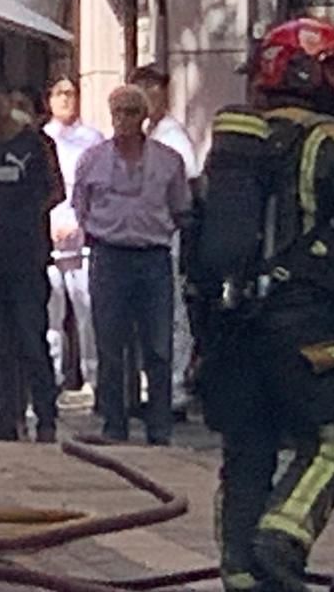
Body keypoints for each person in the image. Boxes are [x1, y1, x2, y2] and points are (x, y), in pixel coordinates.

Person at [187, 18, 334, 592]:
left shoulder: (235, 150)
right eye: (333, 69)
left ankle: (243, 576)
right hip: (301, 326)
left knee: (247, 449)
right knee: (332, 442)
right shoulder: (329, 143)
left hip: (231, 330)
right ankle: (280, 543)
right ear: (298, 70)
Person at [74, 86, 190, 445]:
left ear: (143, 116)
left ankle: (159, 427)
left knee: (157, 345)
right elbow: (82, 205)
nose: (122, 119)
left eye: (130, 111)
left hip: (152, 257)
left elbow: (180, 207)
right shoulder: (91, 159)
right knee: (110, 344)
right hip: (109, 256)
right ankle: (114, 424)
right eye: (117, 111)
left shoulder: (169, 160)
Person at [0, 73, 64, 441]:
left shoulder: (35, 144)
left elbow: (56, 190)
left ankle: (45, 418)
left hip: (27, 257)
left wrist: (28, 218)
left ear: (10, 101)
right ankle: (5, 419)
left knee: (31, 337)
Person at [130, 66, 198, 418]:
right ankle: (157, 389)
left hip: (166, 238)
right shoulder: (147, 136)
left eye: (151, 90)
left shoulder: (172, 138)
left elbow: (187, 188)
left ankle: (173, 391)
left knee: (171, 315)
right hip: (147, 237)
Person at [42, 76, 103, 391]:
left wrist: (81, 222)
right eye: (59, 93)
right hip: (48, 236)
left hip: (81, 237)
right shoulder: (41, 138)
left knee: (88, 312)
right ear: (49, 99)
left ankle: (92, 377)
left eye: (71, 93)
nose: (66, 99)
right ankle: (51, 378)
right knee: (51, 314)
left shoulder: (92, 139)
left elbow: (98, 190)